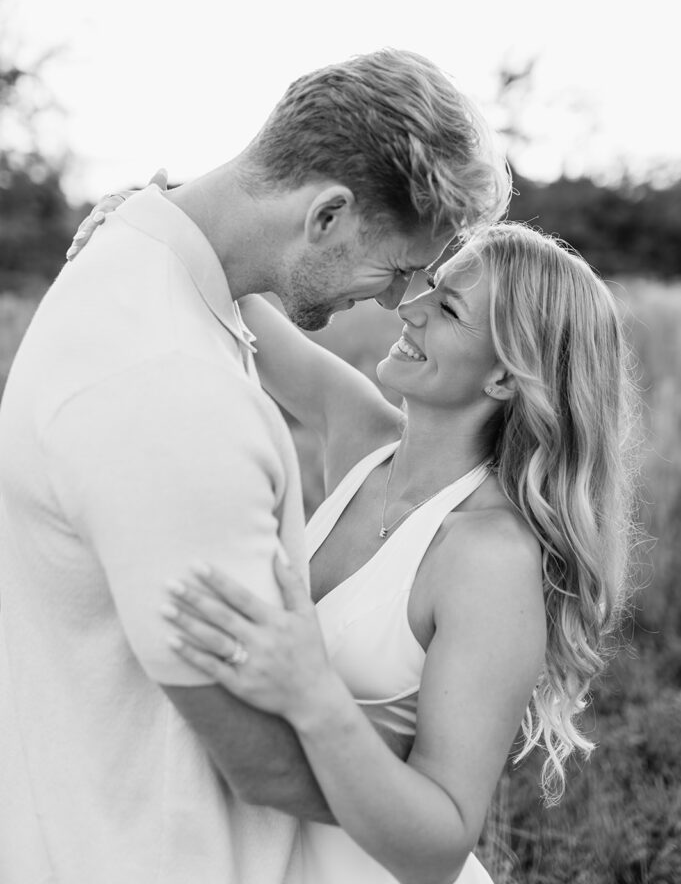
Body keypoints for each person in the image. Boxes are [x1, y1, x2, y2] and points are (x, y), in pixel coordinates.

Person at [0, 49, 510, 884]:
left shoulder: (160, 297)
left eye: (435, 293)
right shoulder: (168, 391)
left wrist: (154, 216)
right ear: (328, 215)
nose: (398, 303)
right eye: (405, 270)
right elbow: (259, 759)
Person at [158, 222, 638, 884]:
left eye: (446, 309)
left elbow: (440, 843)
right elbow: (234, 295)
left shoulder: (487, 558)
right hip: (249, 854)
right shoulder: (364, 438)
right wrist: (158, 215)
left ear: (503, 375)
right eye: (431, 284)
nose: (408, 307)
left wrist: (310, 695)